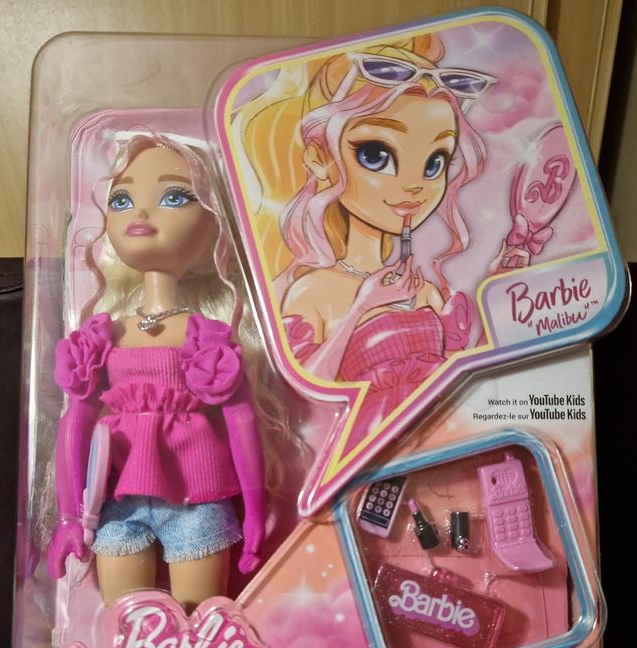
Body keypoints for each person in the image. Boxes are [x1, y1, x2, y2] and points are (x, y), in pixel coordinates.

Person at [46, 134, 270, 612]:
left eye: (174, 197)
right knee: (124, 625)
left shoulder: (206, 336)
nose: (140, 214)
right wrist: (68, 516)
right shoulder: (102, 335)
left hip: (196, 496)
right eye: (121, 200)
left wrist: (256, 511)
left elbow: (242, 422)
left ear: (214, 225)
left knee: (199, 623)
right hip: (117, 501)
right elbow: (75, 422)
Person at [236, 35, 491, 441]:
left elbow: (465, 381)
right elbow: (302, 398)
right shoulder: (314, 292)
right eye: (376, 155)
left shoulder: (424, 291)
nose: (414, 186)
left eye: (435, 162)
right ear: (319, 159)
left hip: (445, 443)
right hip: (360, 452)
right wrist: (362, 307)